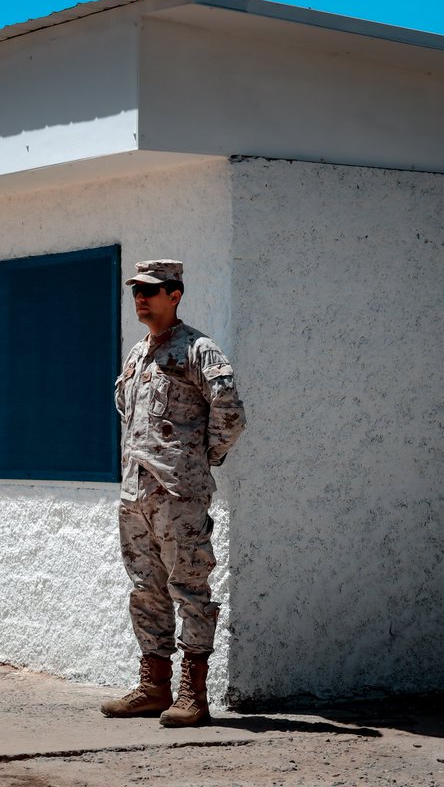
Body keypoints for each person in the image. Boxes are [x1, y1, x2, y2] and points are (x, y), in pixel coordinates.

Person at [100, 259, 246, 727]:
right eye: (136, 291)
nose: (141, 298)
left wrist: (204, 460)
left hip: (179, 494)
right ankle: (153, 686)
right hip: (135, 494)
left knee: (191, 589)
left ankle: (193, 694)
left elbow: (230, 414)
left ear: (175, 294)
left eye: (151, 290)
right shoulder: (137, 355)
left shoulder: (197, 350)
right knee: (147, 590)